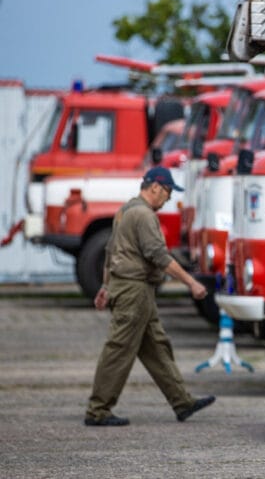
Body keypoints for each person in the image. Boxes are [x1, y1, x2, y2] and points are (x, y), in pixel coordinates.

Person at [84, 166, 215, 426]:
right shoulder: (144, 216)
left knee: (157, 347)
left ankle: (182, 402)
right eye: (167, 192)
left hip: (130, 290)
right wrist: (191, 283)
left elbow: (111, 253)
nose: (167, 198)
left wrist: (105, 287)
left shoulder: (125, 211)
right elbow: (158, 256)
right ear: (155, 186)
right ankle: (97, 411)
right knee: (119, 350)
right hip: (135, 291)